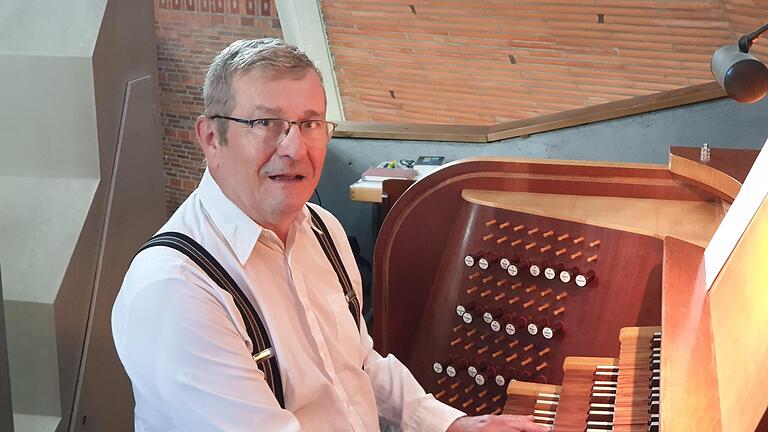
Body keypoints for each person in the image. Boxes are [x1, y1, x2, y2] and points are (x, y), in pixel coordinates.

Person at [112, 38, 548, 432]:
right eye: (266, 123)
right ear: (211, 138)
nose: (294, 148)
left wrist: (451, 425)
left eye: (310, 123)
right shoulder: (174, 287)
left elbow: (356, 365)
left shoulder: (322, 228)